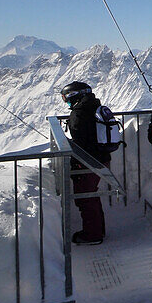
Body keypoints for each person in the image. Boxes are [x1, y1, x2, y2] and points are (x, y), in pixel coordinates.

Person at [61, 81, 112, 245]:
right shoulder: (94, 107)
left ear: (74, 96)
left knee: (85, 198)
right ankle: (98, 230)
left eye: (66, 99)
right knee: (91, 195)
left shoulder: (79, 112)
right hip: (102, 158)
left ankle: (92, 234)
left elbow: (80, 141)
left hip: (88, 162)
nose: (67, 103)